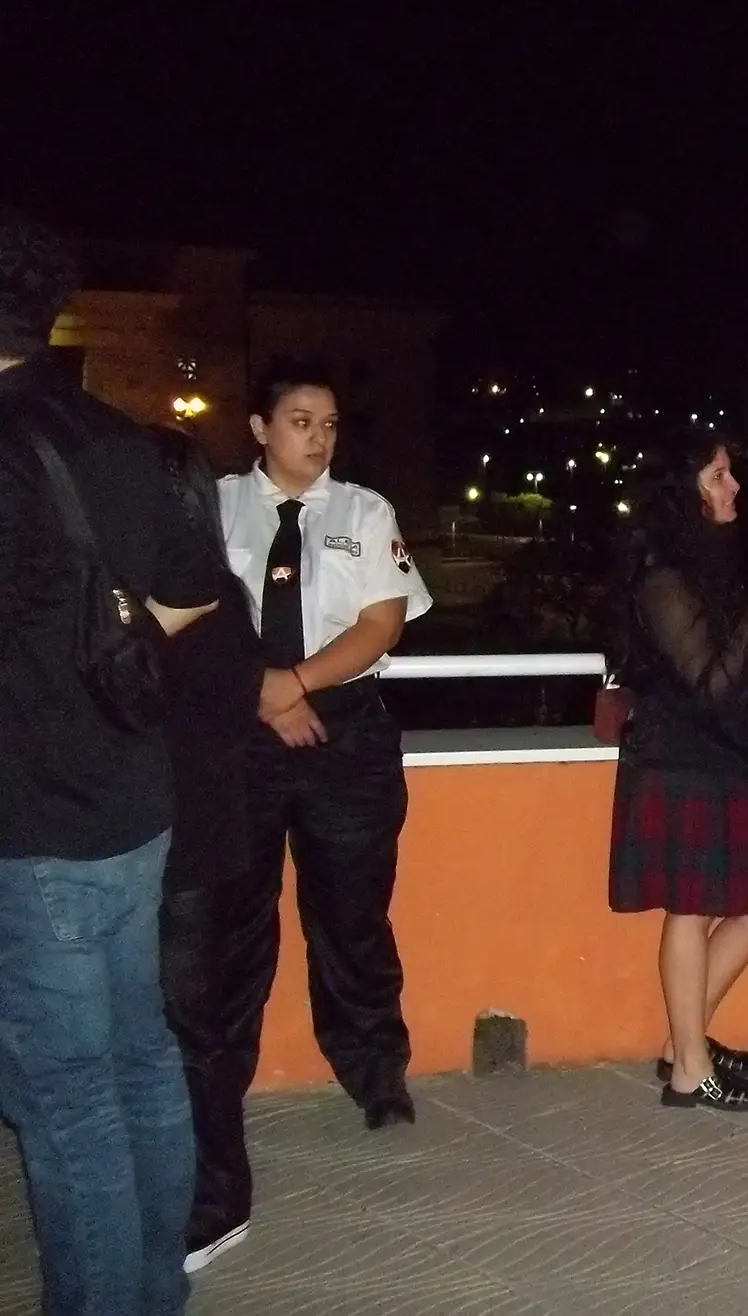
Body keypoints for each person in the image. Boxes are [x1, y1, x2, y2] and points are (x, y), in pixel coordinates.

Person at [0, 210, 222, 1314]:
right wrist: (105, 658)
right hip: (134, 800)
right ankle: (151, 1295)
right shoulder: (123, 438)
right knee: (142, 1062)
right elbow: (196, 591)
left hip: (32, 818)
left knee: (68, 1099)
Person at [217, 361, 432, 1132]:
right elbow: (187, 619)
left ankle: (376, 1073)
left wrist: (295, 684)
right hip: (237, 732)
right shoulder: (213, 506)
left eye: (330, 424)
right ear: (260, 428)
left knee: (352, 914)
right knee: (229, 920)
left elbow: (382, 623)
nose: (319, 438)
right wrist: (262, 693)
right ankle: (214, 1083)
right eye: (302, 422)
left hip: (344, 732)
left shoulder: (365, 511)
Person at [610, 431, 748, 1112]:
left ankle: (681, 1044)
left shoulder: (704, 563)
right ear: (682, 491)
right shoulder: (662, 574)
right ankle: (690, 1070)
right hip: (681, 757)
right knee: (690, 908)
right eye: (718, 475)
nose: (734, 486)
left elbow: (732, 661)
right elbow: (710, 680)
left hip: (726, 752)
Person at [149, 427, 276, 1275]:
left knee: (192, 1030)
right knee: (175, 1029)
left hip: (194, 843)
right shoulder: (163, 590)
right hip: (174, 838)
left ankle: (218, 1200)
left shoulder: (202, 602)